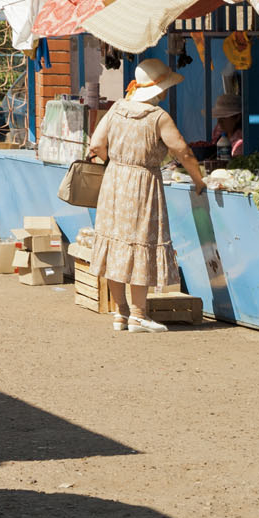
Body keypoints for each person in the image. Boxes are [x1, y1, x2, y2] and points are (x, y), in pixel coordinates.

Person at [85, 57, 206, 334]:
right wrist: (198, 180)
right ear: (159, 89)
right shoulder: (157, 117)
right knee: (140, 243)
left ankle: (121, 314)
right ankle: (139, 315)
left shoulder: (116, 109)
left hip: (114, 181)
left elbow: (96, 144)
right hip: (143, 183)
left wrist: (114, 162)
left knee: (117, 244)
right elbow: (183, 151)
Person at [212, 92, 245, 158]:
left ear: (238, 117)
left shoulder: (241, 141)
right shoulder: (218, 130)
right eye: (219, 116)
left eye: (224, 117)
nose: (220, 121)